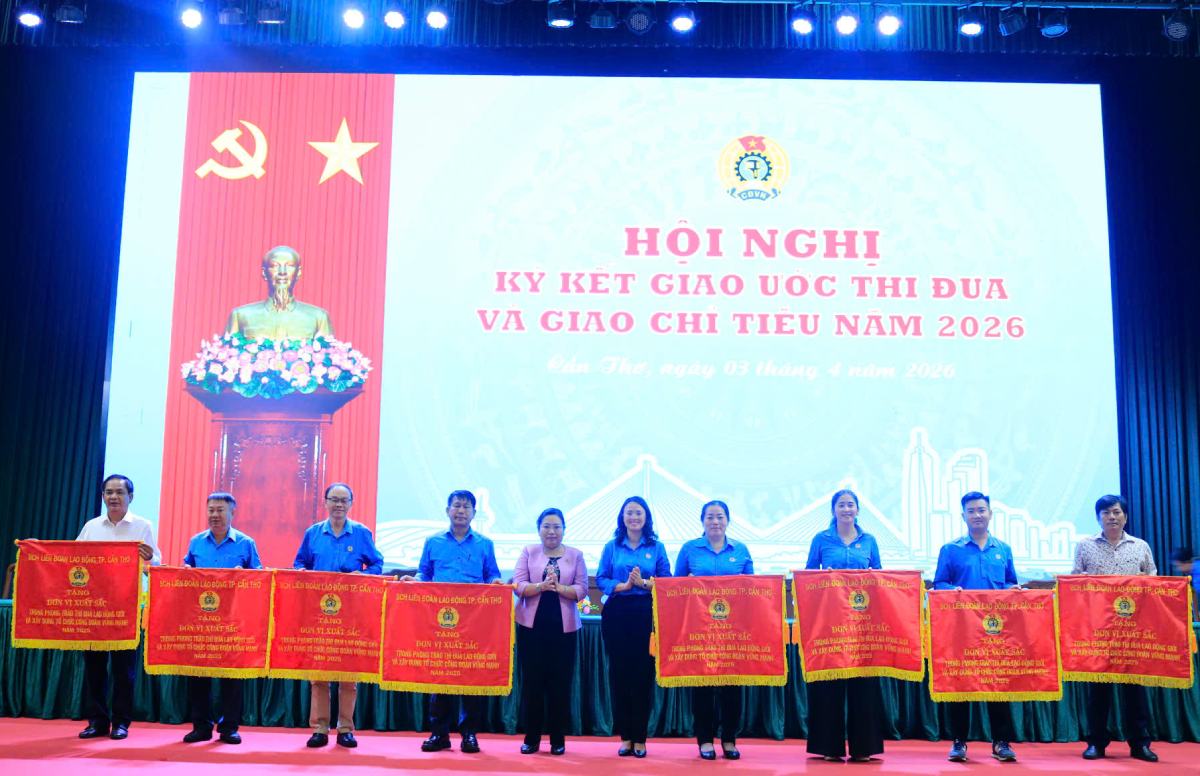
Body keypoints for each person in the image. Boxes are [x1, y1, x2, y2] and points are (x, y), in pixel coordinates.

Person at [404, 489, 503, 754]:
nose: (461, 511)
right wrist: (415, 580)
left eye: (466, 507)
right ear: (448, 510)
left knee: (471, 677)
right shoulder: (433, 541)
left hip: (473, 620)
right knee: (440, 675)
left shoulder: (484, 544)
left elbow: (491, 575)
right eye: (456, 505)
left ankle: (469, 734)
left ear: (474, 513)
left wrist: (495, 582)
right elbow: (425, 573)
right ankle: (439, 733)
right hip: (440, 620)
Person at [293, 482, 383, 749]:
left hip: (351, 614)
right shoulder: (312, 533)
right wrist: (302, 573)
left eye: (344, 500)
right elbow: (299, 563)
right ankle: (320, 728)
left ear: (351, 504)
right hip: (320, 614)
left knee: (348, 676)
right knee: (319, 675)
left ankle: (345, 728)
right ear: (326, 502)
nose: (339, 505)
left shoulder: (361, 533)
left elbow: (377, 564)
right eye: (334, 499)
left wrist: (362, 575)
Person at [932, 491, 1020, 763]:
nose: (977, 515)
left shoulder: (1003, 549)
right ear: (963, 516)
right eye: (971, 511)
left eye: (981, 510)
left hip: (996, 631)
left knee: (998, 685)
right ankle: (959, 742)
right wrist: (953, 591)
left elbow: (1010, 582)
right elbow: (939, 583)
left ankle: (1001, 742)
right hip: (962, 630)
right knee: (961, 685)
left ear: (990, 514)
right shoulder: (951, 549)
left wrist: (1013, 590)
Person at [1073, 495, 1159, 762]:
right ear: (1098, 518)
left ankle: (1140, 743)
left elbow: (1154, 581)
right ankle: (1096, 743)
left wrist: (1146, 581)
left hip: (1132, 631)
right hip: (1098, 631)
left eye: (1116, 512)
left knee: (1135, 691)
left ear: (1125, 516)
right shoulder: (1085, 546)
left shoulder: (1140, 546)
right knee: (1098, 691)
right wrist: (1081, 581)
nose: (1112, 517)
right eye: (1106, 513)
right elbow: (1074, 582)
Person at [76, 474, 161, 741]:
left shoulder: (142, 526)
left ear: (130, 497)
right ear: (103, 496)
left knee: (124, 671)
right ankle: (97, 721)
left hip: (126, 609)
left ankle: (121, 723)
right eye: (108, 492)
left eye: (119, 492)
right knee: (94, 668)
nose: (113, 497)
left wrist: (150, 559)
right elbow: (73, 559)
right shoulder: (91, 527)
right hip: (94, 608)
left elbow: (155, 564)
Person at [803, 489, 885, 763]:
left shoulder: (869, 540)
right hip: (830, 624)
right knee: (830, 684)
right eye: (842, 505)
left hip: (863, 625)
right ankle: (830, 746)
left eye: (851, 505)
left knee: (864, 684)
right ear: (834, 510)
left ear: (857, 510)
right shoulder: (821, 539)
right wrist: (822, 578)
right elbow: (808, 577)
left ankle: (864, 747)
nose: (847, 509)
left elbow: (880, 578)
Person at [180, 492, 263, 745]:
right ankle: (201, 726)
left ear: (232, 513)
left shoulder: (245, 543)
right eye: (211, 510)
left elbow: (259, 579)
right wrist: (186, 573)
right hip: (201, 620)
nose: (214, 515)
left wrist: (244, 576)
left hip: (233, 621)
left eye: (220, 510)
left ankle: (229, 728)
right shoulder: (196, 542)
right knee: (198, 676)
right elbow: (185, 572)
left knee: (231, 677)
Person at [675, 500, 753, 761]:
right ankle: (705, 740)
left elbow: (754, 591)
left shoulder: (740, 550)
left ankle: (729, 739)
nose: (715, 522)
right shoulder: (690, 549)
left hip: (733, 631)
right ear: (702, 521)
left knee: (732, 687)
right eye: (710, 517)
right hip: (700, 630)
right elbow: (674, 589)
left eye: (720, 517)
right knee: (703, 687)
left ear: (727, 520)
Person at [596, 496, 671, 758]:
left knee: (642, 677)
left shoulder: (657, 547)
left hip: (646, 615)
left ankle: (640, 738)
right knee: (619, 676)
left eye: (638, 513)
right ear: (622, 517)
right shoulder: (612, 546)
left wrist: (643, 584)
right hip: (617, 613)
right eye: (629, 512)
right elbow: (601, 578)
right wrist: (623, 586)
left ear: (646, 517)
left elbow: (666, 582)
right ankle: (625, 737)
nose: (634, 517)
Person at [512, 508, 588, 756]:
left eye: (557, 526)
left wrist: (559, 588)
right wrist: (541, 586)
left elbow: (582, 590)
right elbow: (518, 585)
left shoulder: (576, 555)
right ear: (539, 529)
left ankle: (558, 739)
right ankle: (531, 738)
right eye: (546, 526)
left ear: (564, 529)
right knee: (532, 683)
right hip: (531, 629)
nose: (552, 531)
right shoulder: (529, 552)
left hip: (564, 630)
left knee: (560, 684)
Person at [226, 245, 333, 340]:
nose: (282, 272)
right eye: (275, 266)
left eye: (290, 266)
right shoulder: (240, 316)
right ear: (264, 273)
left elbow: (328, 353)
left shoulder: (318, 318)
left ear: (298, 273)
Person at [1170, 546, 1199, 621]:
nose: (1178, 569)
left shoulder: (1197, 571)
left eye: (1178, 566)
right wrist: (1197, 619)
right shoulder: (1191, 574)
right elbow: (1194, 595)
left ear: (1186, 562)